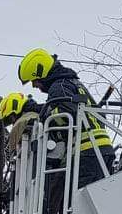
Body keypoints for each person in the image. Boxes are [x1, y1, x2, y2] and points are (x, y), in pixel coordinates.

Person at [16, 49, 116, 189]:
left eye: (34, 81)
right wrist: (34, 108)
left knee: (76, 206)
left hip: (88, 151)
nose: (34, 85)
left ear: (42, 73)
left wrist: (44, 122)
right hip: (99, 149)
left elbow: (65, 114)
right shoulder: (69, 83)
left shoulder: (59, 87)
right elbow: (60, 106)